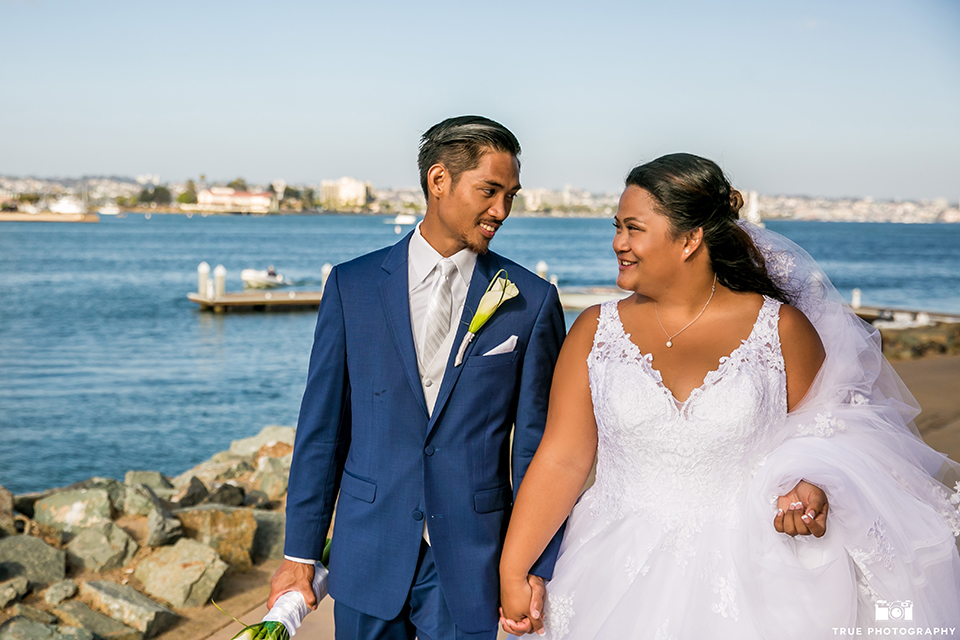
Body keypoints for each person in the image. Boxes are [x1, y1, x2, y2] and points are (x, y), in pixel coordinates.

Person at [499, 153, 960, 638]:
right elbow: (561, 459)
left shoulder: (779, 330)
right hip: (608, 566)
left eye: (633, 228)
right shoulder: (594, 330)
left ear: (690, 238)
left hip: (755, 573)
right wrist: (513, 569)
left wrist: (812, 485)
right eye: (617, 227)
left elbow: (836, 436)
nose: (619, 243)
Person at [269, 115, 566, 640]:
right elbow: (323, 430)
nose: (502, 211)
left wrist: (533, 566)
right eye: (489, 191)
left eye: (510, 195)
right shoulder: (351, 285)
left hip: (471, 562)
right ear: (438, 181)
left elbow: (539, 450)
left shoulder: (532, 301)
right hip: (368, 555)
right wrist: (300, 554)